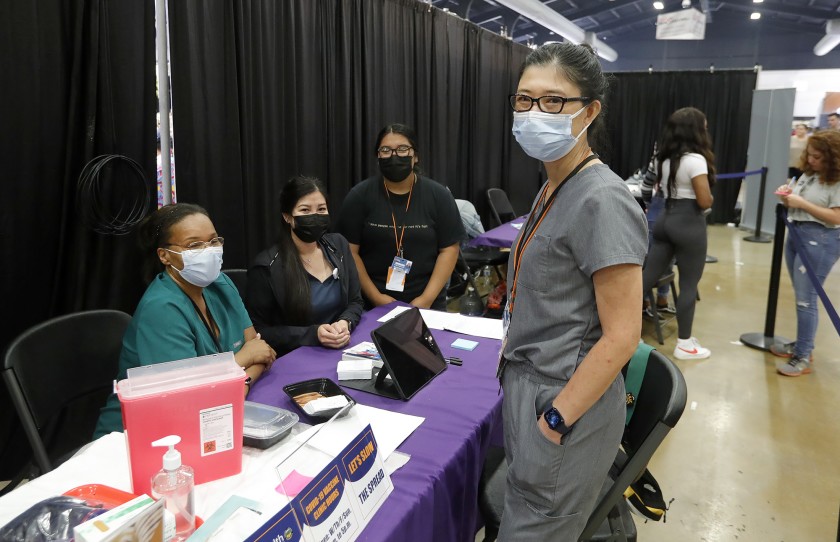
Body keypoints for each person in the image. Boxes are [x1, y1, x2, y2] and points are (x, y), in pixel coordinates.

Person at [497, 43, 647, 540]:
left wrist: (556, 419)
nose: (535, 112)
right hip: (532, 386)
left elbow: (623, 335)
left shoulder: (601, 199)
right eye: (524, 99)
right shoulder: (554, 184)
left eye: (554, 101)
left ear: (590, 110)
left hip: (563, 401)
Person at [94, 204, 276, 438]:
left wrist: (241, 381)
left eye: (213, 241)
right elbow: (189, 397)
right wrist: (244, 359)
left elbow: (260, 351)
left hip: (213, 415)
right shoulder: (161, 308)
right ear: (165, 255)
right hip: (138, 435)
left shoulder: (221, 284)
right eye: (194, 245)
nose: (208, 250)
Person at [336, 124, 464, 310]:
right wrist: (376, 297)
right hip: (370, 304)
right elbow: (349, 252)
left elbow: (449, 249)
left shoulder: (438, 195)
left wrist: (426, 300)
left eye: (403, 149)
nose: (394, 156)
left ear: (416, 156)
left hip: (428, 303)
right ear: (378, 156)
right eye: (386, 150)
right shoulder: (360, 196)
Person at [247, 176, 364, 356]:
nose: (315, 216)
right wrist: (313, 334)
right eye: (305, 210)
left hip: (342, 346)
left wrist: (344, 322)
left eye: (321, 209)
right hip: (297, 356)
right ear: (287, 217)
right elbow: (259, 331)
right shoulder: (267, 266)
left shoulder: (339, 246)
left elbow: (355, 301)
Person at [641, 107, 715, 360]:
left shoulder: (662, 158)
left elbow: (651, 188)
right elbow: (704, 201)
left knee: (644, 279)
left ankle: (610, 325)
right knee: (688, 285)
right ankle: (684, 344)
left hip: (664, 220)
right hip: (688, 223)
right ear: (695, 129)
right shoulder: (695, 160)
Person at [772, 130, 840, 376]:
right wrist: (789, 195)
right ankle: (803, 344)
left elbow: (836, 217)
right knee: (802, 295)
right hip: (797, 234)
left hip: (821, 239)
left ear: (832, 158)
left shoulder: (836, 180)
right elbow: (798, 195)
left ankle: (803, 355)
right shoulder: (810, 173)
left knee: (806, 299)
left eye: (817, 156)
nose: (811, 160)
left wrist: (802, 204)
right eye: (809, 155)